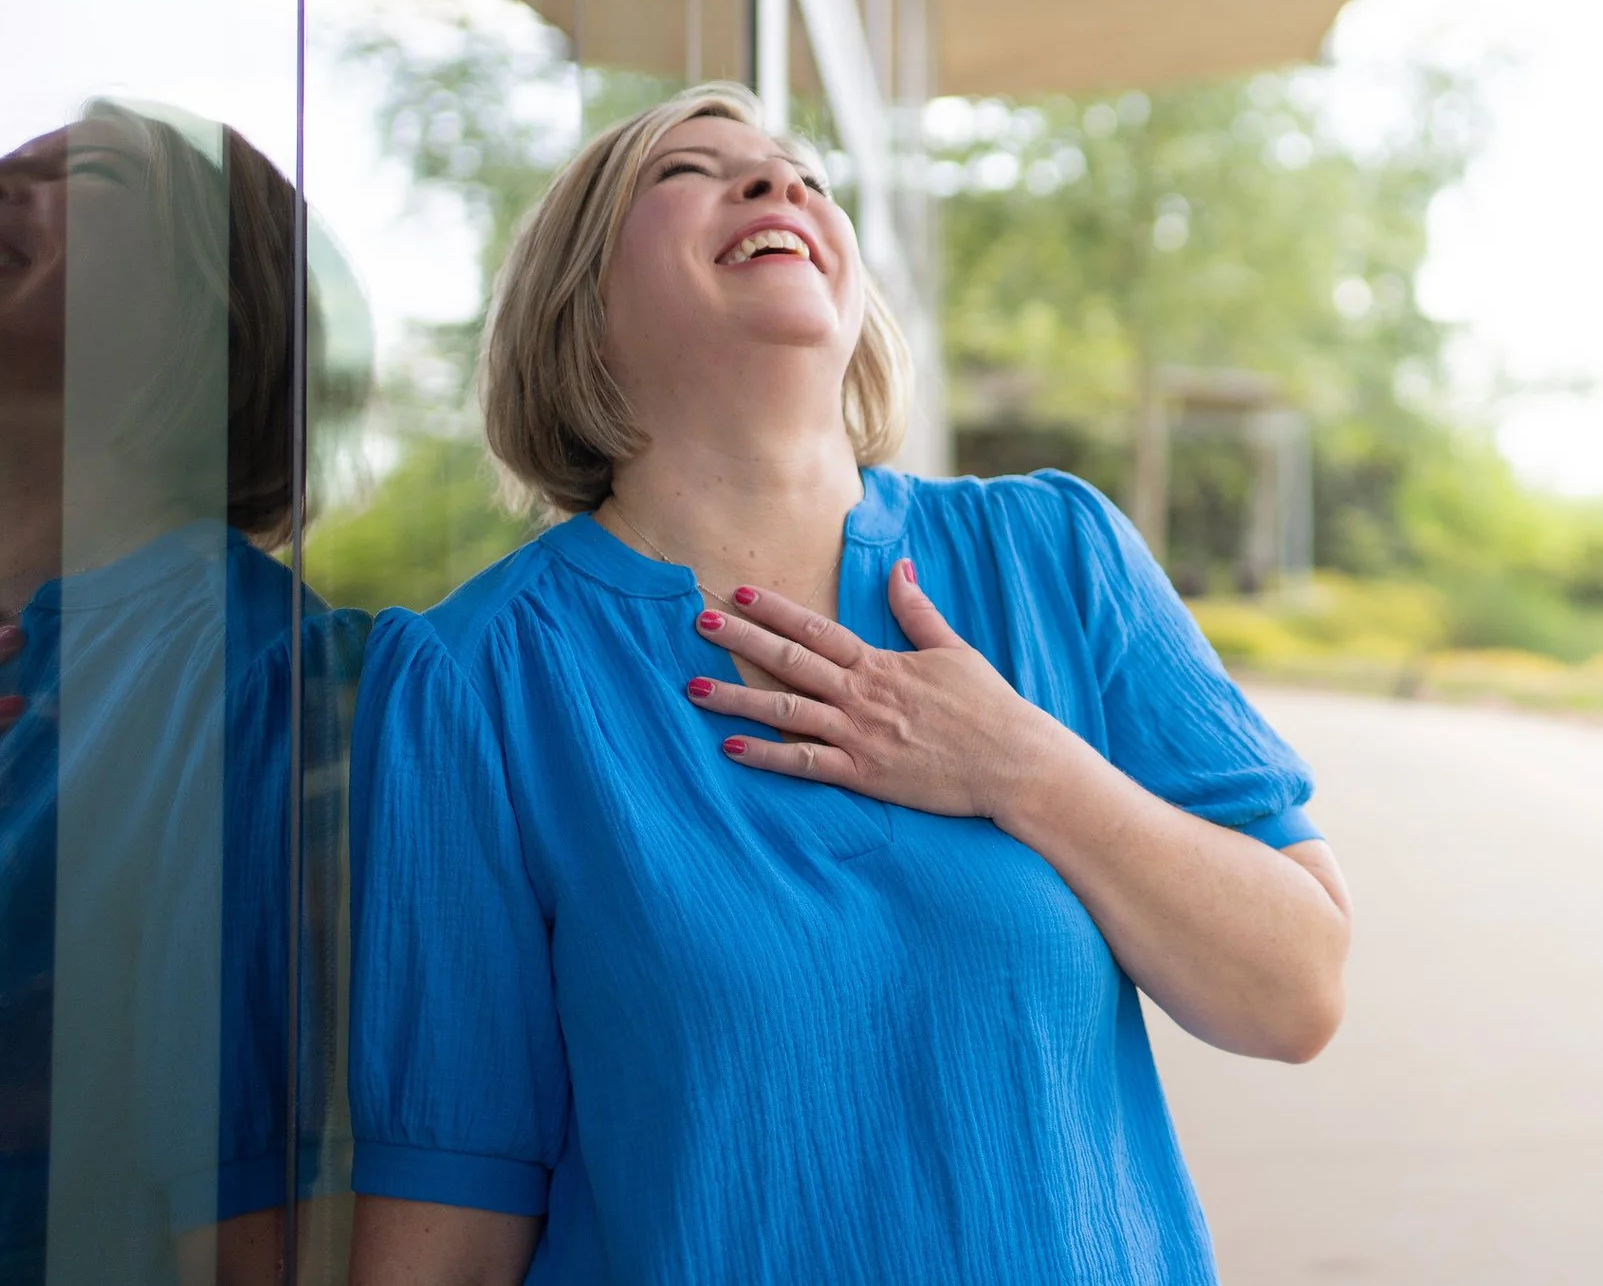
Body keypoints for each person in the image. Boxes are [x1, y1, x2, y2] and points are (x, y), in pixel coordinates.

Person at [348, 82, 1352, 1285]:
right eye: (690, 171)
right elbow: (449, 1209)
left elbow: (1295, 990)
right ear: (582, 309)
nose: (780, 185)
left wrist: (1018, 766)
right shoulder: (476, 684)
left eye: (803, 174)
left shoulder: (1057, 558)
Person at [0, 103, 357, 1285]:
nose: (6, 180)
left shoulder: (264, 677)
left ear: (209, 304)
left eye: (80, 170)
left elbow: (255, 1208)